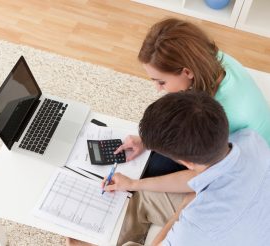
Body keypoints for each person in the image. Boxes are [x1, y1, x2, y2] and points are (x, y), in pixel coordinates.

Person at [104, 91, 270, 245]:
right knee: (143, 196)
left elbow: (189, 224)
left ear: (187, 162)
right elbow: (197, 176)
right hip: (246, 217)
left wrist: (182, 210)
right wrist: (133, 184)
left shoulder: (194, 226)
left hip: (211, 230)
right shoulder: (250, 139)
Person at [114, 18, 270, 178]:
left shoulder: (223, 113)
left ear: (187, 72)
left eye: (161, 82)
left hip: (249, 161)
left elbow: (208, 168)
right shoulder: (209, 57)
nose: (158, 88)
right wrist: (145, 141)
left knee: (154, 168)